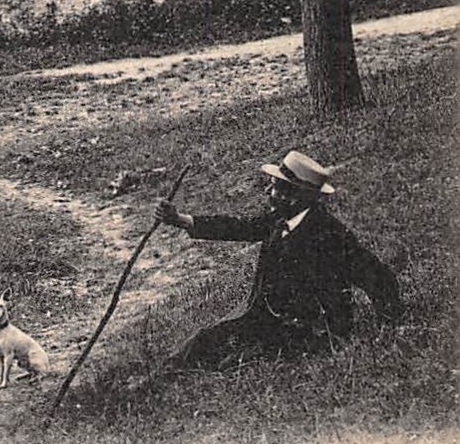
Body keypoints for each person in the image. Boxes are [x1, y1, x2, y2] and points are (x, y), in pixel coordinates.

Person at [154, 150, 401, 370]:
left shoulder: (330, 235)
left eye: (274, 187)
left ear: (295, 196)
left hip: (308, 330)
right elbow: (239, 228)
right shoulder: (280, 218)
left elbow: (378, 276)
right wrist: (182, 220)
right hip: (266, 319)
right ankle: (158, 379)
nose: (267, 192)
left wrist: (390, 326)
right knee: (205, 339)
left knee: (237, 362)